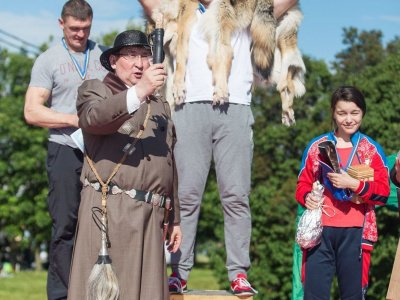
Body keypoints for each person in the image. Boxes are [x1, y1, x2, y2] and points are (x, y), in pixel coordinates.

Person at [140, 0, 298, 295]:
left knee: (236, 195)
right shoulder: (180, 8)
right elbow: (151, 7)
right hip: (187, 106)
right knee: (185, 195)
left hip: (235, 106)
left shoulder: (245, 9)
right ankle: (178, 271)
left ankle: (238, 272)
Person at [67, 29, 182, 300]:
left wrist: (174, 217)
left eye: (145, 55)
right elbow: (93, 118)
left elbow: (168, 161)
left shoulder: (161, 107)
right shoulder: (96, 89)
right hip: (111, 209)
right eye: (131, 55)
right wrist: (140, 91)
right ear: (114, 61)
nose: (140, 63)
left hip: (152, 217)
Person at [24, 1, 107, 299]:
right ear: (61, 24)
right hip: (64, 149)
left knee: (102, 223)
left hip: (101, 152)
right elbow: (32, 111)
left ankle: (97, 292)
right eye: (74, 29)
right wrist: (74, 120)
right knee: (65, 227)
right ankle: (60, 294)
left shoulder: (103, 55)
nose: (80, 35)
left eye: (85, 29)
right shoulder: (48, 60)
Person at [295, 86, 390, 299]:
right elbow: (302, 184)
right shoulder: (317, 146)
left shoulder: (371, 150)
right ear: (333, 113)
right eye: (342, 113)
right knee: (314, 295)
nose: (348, 119)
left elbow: (383, 193)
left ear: (363, 113)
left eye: (354, 113)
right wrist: (306, 197)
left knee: (353, 296)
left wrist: (353, 184)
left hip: (355, 233)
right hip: (319, 233)